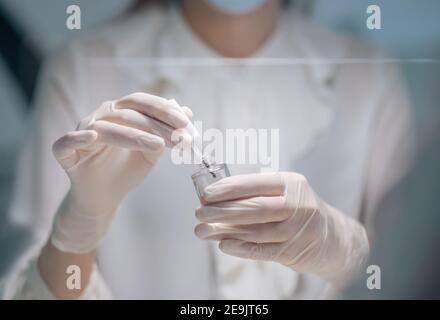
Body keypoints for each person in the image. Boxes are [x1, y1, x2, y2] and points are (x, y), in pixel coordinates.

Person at [3, 0, 415, 299]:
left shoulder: (369, 77)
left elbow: (415, 277)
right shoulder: (85, 67)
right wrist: (78, 229)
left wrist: (342, 247)